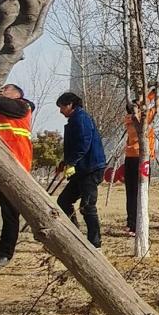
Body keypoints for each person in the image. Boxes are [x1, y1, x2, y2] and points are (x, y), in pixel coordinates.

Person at [0, 84, 35, 268]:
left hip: (14, 167)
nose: (0, 91)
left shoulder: (23, 106)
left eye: (4, 89)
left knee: (10, 214)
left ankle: (5, 255)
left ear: (17, 94)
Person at [55, 92, 106, 249]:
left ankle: (95, 243)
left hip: (91, 168)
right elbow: (75, 146)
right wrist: (65, 163)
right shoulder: (74, 119)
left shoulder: (81, 118)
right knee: (63, 201)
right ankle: (74, 234)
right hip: (81, 170)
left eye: (62, 107)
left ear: (70, 104)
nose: (60, 111)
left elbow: (83, 143)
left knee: (87, 206)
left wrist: (71, 162)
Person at [123, 82, 159, 236]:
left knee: (130, 192)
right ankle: (137, 225)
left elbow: (146, 102)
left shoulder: (128, 118)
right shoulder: (144, 119)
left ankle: (131, 223)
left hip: (129, 158)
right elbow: (158, 105)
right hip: (141, 158)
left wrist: (153, 91)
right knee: (141, 191)